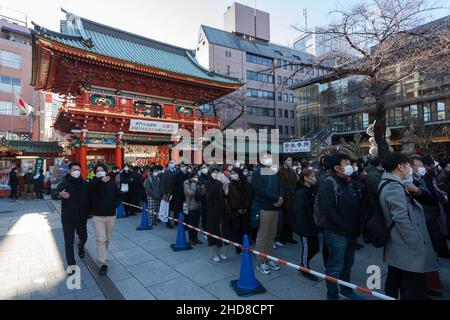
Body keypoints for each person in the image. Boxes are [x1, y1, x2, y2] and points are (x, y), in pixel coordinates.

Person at [379, 152, 439, 300]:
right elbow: (401, 218)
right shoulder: (394, 186)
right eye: (407, 165)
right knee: (414, 285)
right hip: (404, 243)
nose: (409, 168)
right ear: (400, 166)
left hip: (399, 243)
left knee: (395, 276)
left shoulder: (394, 182)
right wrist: (414, 241)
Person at [319, 153, 363, 300]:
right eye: (346, 163)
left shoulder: (349, 181)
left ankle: (346, 290)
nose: (350, 166)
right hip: (337, 232)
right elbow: (328, 208)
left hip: (351, 232)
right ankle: (332, 295)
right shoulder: (329, 182)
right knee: (335, 267)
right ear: (337, 167)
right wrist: (344, 225)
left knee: (348, 264)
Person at [252, 151, 284, 275]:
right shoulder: (257, 172)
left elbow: (280, 187)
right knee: (262, 236)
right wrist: (276, 199)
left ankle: (269, 258)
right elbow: (259, 190)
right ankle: (260, 262)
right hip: (264, 208)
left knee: (271, 235)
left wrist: (281, 198)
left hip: (275, 208)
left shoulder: (272, 171)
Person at [56, 162, 89, 275]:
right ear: (70, 171)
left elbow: (91, 197)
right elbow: (54, 192)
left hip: (81, 217)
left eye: (78, 169)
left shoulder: (84, 183)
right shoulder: (64, 183)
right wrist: (60, 194)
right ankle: (71, 265)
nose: (76, 171)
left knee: (83, 236)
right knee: (68, 242)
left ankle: (81, 246)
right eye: (74, 169)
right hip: (68, 218)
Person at [89, 164, 121, 276]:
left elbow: (118, 197)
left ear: (106, 171)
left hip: (110, 215)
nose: (100, 172)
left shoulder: (112, 184)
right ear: (95, 173)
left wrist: (114, 205)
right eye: (98, 171)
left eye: (102, 170)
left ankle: (103, 254)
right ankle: (103, 263)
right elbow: (91, 189)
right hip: (98, 216)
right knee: (100, 239)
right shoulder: (93, 183)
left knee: (107, 239)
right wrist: (99, 180)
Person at [293, 168, 320, 282]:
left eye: (314, 175)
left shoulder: (311, 190)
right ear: (305, 178)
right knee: (307, 248)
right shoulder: (301, 192)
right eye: (312, 176)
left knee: (316, 247)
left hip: (312, 225)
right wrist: (303, 229)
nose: (314, 178)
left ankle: (304, 263)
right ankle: (304, 268)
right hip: (305, 227)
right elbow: (299, 212)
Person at [205, 165, 231, 263]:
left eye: (217, 172)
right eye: (213, 172)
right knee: (213, 232)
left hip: (221, 210)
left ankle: (222, 252)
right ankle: (213, 254)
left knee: (222, 231)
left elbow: (225, 195)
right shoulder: (207, 183)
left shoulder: (220, 183)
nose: (215, 174)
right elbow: (208, 196)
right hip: (211, 212)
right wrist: (219, 186)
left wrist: (226, 187)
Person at [227, 167, 252, 254]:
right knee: (237, 231)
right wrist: (236, 209)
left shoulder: (247, 184)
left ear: (239, 173)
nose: (233, 175)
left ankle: (246, 247)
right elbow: (230, 199)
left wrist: (245, 208)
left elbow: (249, 197)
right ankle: (238, 249)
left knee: (245, 231)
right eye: (232, 173)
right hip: (235, 212)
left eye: (234, 173)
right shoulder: (230, 185)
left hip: (246, 211)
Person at [277, 156, 298, 245]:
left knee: (291, 219)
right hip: (284, 197)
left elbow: (295, 182)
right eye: (288, 160)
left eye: (291, 160)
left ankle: (289, 237)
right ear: (284, 161)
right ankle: (282, 237)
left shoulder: (292, 171)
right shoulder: (279, 171)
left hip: (292, 197)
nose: (290, 162)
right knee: (284, 219)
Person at [184, 170, 205, 245]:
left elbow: (203, 193)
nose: (196, 178)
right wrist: (193, 184)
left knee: (196, 223)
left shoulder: (197, 183)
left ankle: (195, 238)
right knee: (191, 223)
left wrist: (202, 186)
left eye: (197, 177)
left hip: (198, 205)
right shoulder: (186, 183)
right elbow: (190, 193)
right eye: (194, 177)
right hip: (191, 206)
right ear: (190, 177)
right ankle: (190, 239)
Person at [161, 160, 178, 228]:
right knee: (168, 208)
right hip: (168, 193)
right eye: (170, 163)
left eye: (173, 163)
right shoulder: (166, 172)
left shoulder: (177, 171)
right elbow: (164, 183)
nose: (171, 164)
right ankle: (167, 222)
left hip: (176, 193)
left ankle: (176, 221)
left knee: (175, 207)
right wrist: (165, 193)